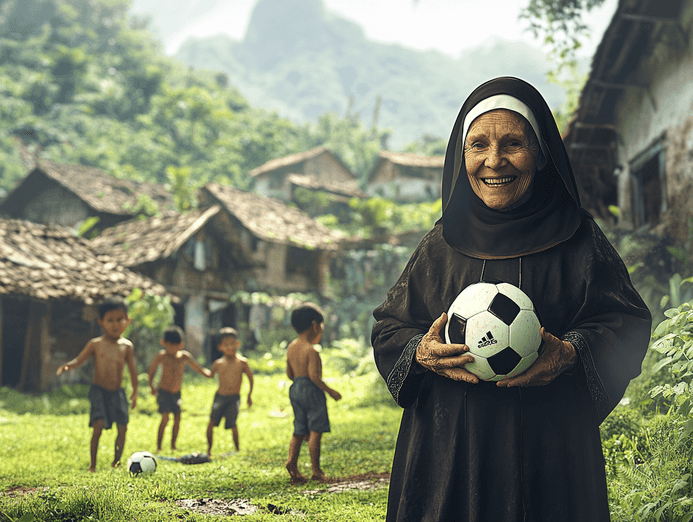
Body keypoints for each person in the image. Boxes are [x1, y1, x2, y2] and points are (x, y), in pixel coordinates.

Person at [371, 77, 652, 522]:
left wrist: (572, 352)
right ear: (461, 156)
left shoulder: (578, 239)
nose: (493, 160)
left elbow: (626, 320)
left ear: (540, 155)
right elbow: (389, 326)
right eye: (478, 144)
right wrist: (419, 352)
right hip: (447, 454)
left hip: (552, 453)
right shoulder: (441, 244)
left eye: (513, 143)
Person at [56, 296, 138, 472]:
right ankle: (92, 465)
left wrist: (135, 391)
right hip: (99, 391)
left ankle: (116, 462)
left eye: (119, 319)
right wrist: (68, 365)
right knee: (98, 425)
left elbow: (132, 370)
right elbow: (80, 360)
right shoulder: (96, 344)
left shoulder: (127, 346)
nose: (115, 324)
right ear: (101, 322)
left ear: (127, 321)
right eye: (110, 320)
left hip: (118, 392)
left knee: (123, 427)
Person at [285, 303, 342, 484]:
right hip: (311, 391)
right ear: (315, 326)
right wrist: (331, 391)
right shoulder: (311, 351)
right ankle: (316, 470)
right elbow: (314, 377)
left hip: (295, 389)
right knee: (315, 430)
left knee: (299, 429)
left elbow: (289, 374)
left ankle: (291, 462)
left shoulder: (291, 347)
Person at [148, 325, 212, 452]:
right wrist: (151, 386)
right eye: (170, 345)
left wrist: (208, 374)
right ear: (163, 343)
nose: (172, 348)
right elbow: (151, 371)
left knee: (177, 418)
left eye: (175, 345)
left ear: (181, 344)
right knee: (165, 418)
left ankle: (173, 445)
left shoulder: (184, 356)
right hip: (163, 392)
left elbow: (197, 367)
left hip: (176, 393)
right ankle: (159, 446)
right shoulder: (161, 356)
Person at [206, 327, 254, 455]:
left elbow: (250, 378)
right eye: (226, 345)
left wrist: (249, 395)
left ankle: (237, 449)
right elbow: (209, 375)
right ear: (220, 347)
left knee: (233, 424)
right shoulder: (218, 363)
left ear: (238, 344)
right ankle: (209, 450)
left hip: (234, 398)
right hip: (220, 397)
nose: (229, 347)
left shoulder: (242, 362)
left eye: (232, 344)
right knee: (211, 423)